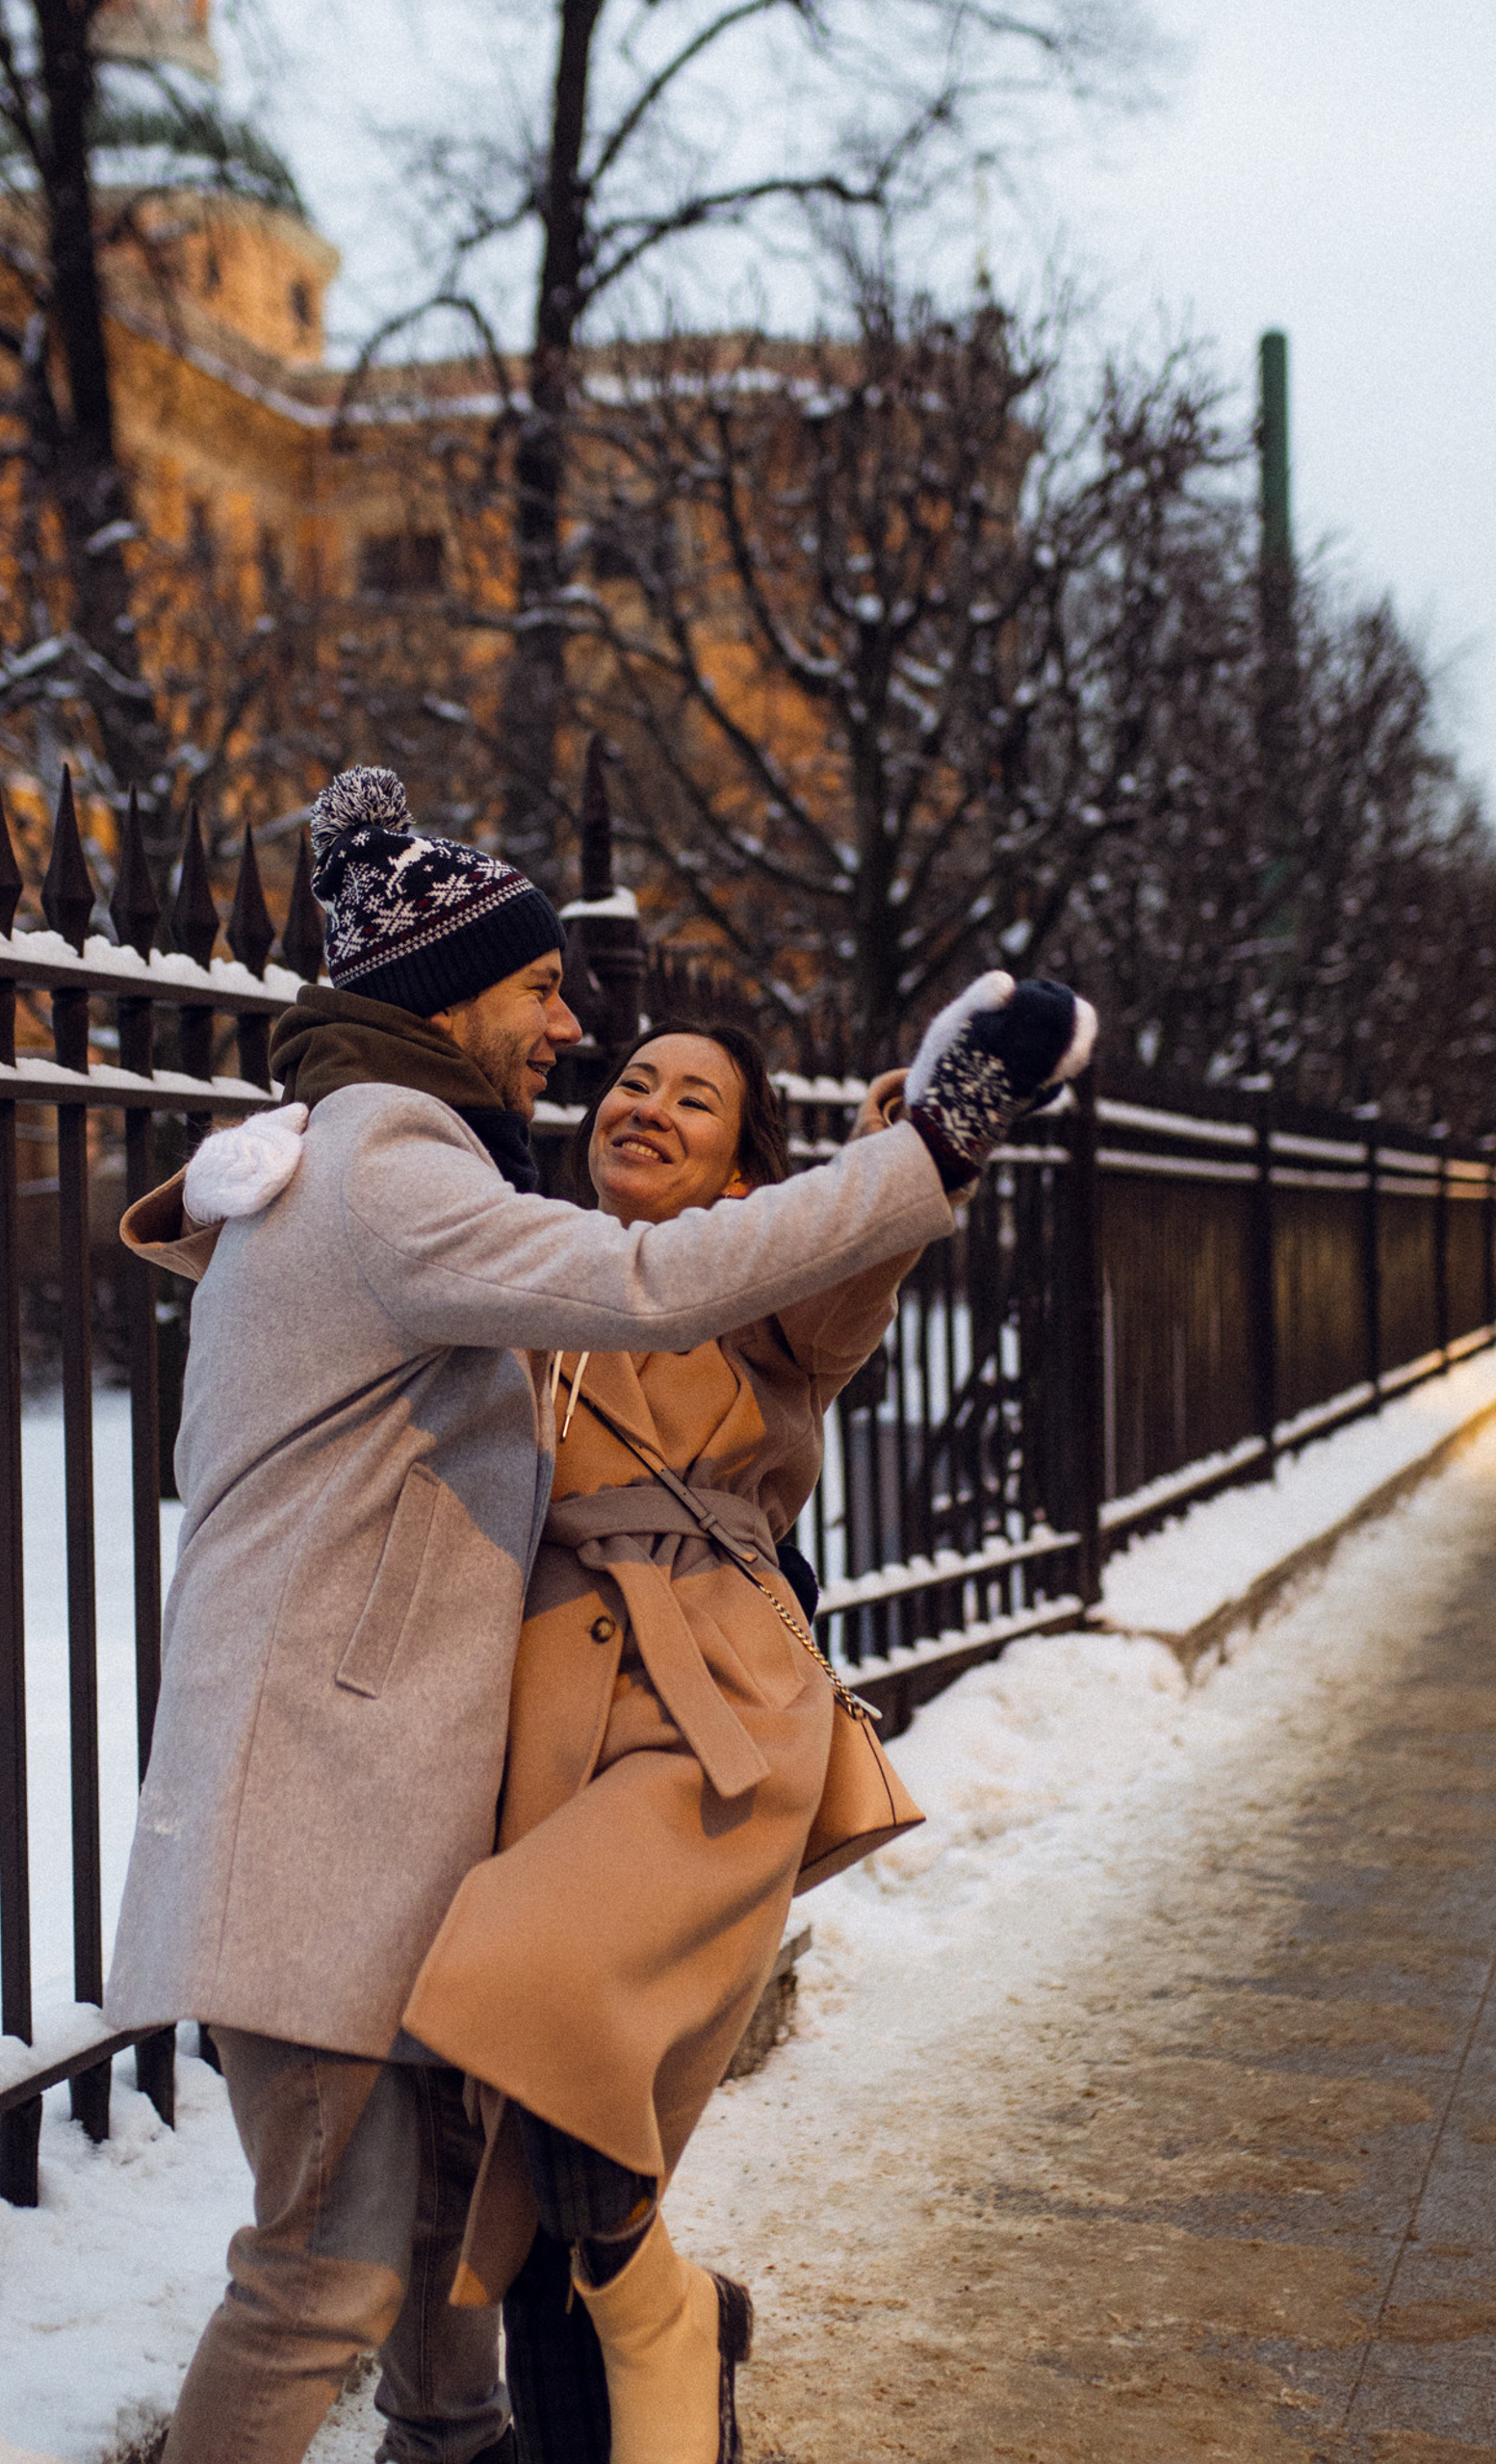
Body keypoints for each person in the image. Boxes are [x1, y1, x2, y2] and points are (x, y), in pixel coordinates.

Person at [106, 765, 1086, 2464]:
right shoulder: (394, 1169)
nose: (574, 1029)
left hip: (408, 1788)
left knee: (431, 2228)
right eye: (544, 989)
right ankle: (592, 2356)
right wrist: (926, 1149)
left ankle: (471, 2433)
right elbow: (641, 1282)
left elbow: (791, 1309)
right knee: (329, 2269)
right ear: (448, 995)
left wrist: (895, 1168)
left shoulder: (365, 1163)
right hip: (320, 1795)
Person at [399, 1018, 990, 2464]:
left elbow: (856, 1262)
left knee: (534, 1985)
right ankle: (648, 2371)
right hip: (536, 1719)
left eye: (696, 1099)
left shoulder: (765, 1283)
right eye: (634, 1084)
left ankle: (662, 2308)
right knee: (533, 2126)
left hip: (708, 1716)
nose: (650, 1107)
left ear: (743, 1170)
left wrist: (915, 1145)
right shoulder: (525, 1262)